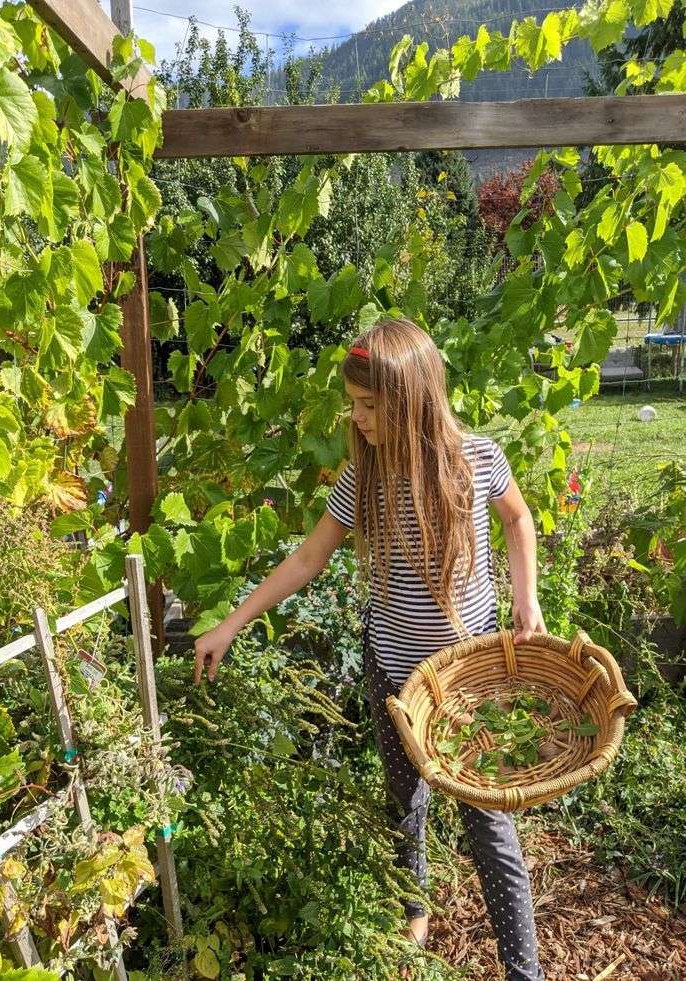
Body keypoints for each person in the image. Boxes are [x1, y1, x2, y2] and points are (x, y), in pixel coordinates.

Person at [193, 318, 546, 980]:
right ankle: (414, 908)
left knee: (490, 829)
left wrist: (526, 596)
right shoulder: (366, 480)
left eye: (368, 406)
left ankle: (523, 969)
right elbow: (306, 557)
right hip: (391, 669)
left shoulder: (478, 459)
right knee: (403, 797)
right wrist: (231, 622)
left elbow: (519, 519)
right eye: (353, 404)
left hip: (463, 686)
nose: (355, 418)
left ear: (411, 401)